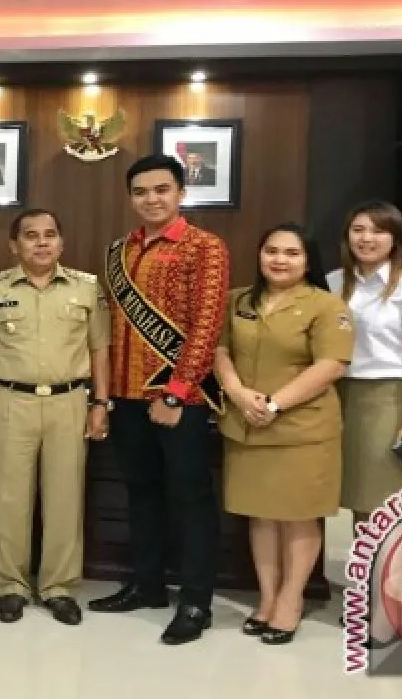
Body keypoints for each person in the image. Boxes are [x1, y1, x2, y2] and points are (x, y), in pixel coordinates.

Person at [88, 154, 229, 647]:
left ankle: (195, 600)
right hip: (126, 395)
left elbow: (207, 325)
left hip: (178, 398)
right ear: (131, 198)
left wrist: (176, 391)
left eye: (161, 189)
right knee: (141, 492)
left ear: (180, 193)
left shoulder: (205, 247)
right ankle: (146, 585)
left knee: (190, 498)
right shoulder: (118, 250)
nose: (151, 199)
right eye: (141, 191)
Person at [0, 209, 110, 626]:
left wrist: (101, 404)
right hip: (10, 402)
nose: (42, 242)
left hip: (69, 402)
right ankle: (9, 586)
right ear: (14, 245)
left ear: (61, 243)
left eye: (50, 235)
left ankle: (58, 587)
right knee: (7, 499)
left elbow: (100, 349)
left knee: (65, 498)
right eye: (31, 235)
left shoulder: (86, 288)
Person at [214, 223, 353, 645]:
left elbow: (331, 365)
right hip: (247, 423)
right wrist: (238, 393)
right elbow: (220, 350)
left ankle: (291, 600)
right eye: (271, 251)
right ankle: (268, 597)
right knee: (262, 515)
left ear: (308, 261)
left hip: (301, 428)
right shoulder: (238, 300)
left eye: (292, 253)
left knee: (297, 516)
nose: (279, 260)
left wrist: (274, 404)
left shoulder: (326, 305)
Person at [326, 201, 402, 523]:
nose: (366, 238)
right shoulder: (332, 283)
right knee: (356, 496)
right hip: (338, 395)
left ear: (395, 238)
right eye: (358, 230)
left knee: (388, 500)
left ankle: (391, 559)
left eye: (378, 231)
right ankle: (366, 558)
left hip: (389, 398)